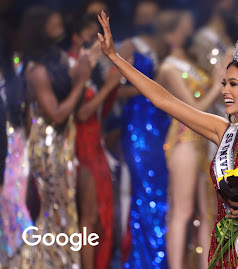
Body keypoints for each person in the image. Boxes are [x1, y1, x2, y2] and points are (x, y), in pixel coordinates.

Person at [97, 10, 238, 268]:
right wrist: (114, 57)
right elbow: (162, 99)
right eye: (224, 83)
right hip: (228, 252)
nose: (224, 91)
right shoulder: (222, 131)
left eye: (233, 84)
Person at [19, 6, 97, 268]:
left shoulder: (57, 60)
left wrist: (88, 63)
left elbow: (75, 77)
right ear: (40, 28)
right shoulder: (35, 70)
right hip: (49, 146)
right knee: (57, 210)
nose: (58, 24)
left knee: (64, 211)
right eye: (52, 22)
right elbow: (58, 114)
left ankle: (59, 262)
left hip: (64, 142)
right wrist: (81, 80)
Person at [154, 10, 223, 269]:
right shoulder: (169, 68)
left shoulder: (191, 64)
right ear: (171, 34)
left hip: (204, 140)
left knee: (207, 211)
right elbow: (194, 109)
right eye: (184, 27)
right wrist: (217, 85)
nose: (188, 31)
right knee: (182, 210)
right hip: (184, 138)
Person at [115, 1, 171, 267]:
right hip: (139, 125)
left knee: (161, 189)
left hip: (162, 124)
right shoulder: (130, 46)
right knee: (144, 189)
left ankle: (162, 252)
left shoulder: (162, 44)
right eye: (143, 13)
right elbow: (115, 89)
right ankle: (144, 259)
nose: (148, 17)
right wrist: (148, 89)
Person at [68, 13, 120, 269]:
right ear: (76, 37)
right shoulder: (73, 66)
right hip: (81, 148)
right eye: (91, 36)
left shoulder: (89, 69)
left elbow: (98, 113)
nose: (95, 42)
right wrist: (109, 88)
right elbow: (81, 113)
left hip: (96, 145)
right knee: (88, 217)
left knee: (100, 216)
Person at [0, 27, 33, 268]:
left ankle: (21, 259)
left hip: (13, 150)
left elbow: (26, 117)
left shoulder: (15, 77)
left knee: (12, 204)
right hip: (10, 147)